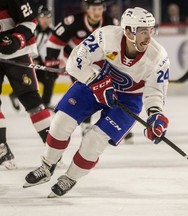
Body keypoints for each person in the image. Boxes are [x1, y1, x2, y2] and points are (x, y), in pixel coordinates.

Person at [23, 7, 170, 198]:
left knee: (94, 140)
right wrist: (94, 81)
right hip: (95, 82)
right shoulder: (106, 36)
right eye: (143, 31)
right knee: (60, 122)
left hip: (128, 98)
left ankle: (71, 177)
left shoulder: (158, 57)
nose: (148, 36)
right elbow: (74, 63)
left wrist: (155, 115)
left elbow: (155, 91)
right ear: (127, 31)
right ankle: (47, 165)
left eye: (151, 30)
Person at [44, 0, 124, 138]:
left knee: (114, 90)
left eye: (99, 9)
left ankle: (115, 121)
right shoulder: (73, 21)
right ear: (87, 9)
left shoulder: (111, 22)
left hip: (102, 63)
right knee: (88, 89)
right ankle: (86, 125)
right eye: (94, 9)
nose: (97, 12)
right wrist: (52, 60)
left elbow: (122, 43)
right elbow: (54, 40)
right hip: (78, 65)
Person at [0, 0, 51, 169]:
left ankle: (52, 148)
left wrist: (17, 39)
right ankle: (2, 147)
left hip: (17, 53)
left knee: (32, 100)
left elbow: (29, 21)